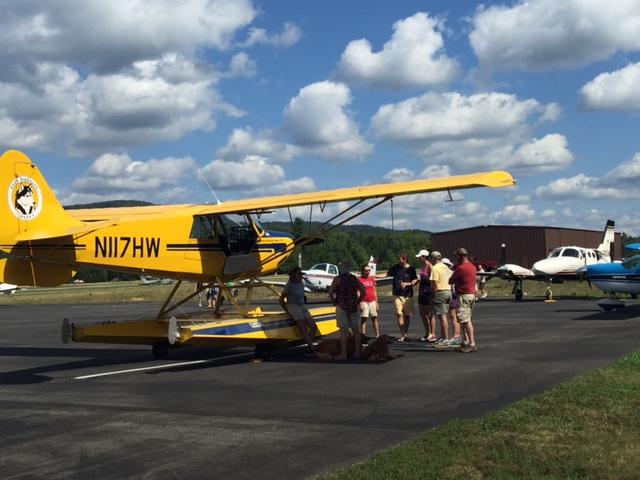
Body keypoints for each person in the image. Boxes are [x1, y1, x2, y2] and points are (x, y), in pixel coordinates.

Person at [329, 260, 366, 360]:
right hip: (353, 306)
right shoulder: (354, 278)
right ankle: (357, 353)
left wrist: (334, 301)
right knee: (356, 331)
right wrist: (357, 301)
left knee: (343, 331)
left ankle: (344, 354)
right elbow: (363, 291)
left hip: (342, 306)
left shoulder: (337, 279)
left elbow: (330, 292)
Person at [280, 266, 317, 355]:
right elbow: (281, 299)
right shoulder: (289, 285)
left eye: (301, 274)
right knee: (303, 327)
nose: (301, 276)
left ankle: (309, 344)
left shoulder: (302, 283)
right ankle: (312, 348)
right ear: (293, 275)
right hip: (293, 306)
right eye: (299, 274)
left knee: (313, 326)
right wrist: (287, 310)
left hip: (302, 306)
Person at [449, 248, 478, 353]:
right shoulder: (472, 267)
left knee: (466, 321)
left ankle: (472, 343)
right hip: (471, 295)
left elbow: (450, 280)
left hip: (463, 296)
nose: (456, 258)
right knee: (464, 318)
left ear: (461, 256)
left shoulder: (460, 268)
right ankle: (465, 341)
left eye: (457, 256)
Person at [386, 252, 418, 342]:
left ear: (405, 259)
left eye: (400, 259)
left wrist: (407, 284)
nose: (398, 261)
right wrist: (373, 276)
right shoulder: (396, 267)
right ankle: (403, 334)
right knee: (399, 314)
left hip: (407, 295)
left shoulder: (411, 269)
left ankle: (405, 334)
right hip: (397, 294)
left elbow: (415, 281)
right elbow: (386, 274)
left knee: (407, 315)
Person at [430, 251, 452, 345]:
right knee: (445, 315)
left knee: (442, 316)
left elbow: (434, 283)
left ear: (434, 258)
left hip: (440, 292)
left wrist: (433, 295)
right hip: (448, 291)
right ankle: (443, 337)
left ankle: (446, 338)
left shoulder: (435, 268)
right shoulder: (446, 267)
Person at [416, 249, 436, 342]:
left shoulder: (429, 266)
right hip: (422, 292)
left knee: (429, 313)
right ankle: (427, 332)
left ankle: (433, 333)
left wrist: (433, 293)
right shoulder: (423, 265)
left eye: (420, 256)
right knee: (421, 312)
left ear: (424, 257)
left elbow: (433, 279)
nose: (419, 258)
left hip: (428, 292)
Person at [358, 263, 380, 338]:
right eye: (366, 270)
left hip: (372, 300)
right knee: (364, 318)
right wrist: (360, 303)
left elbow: (374, 290)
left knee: (374, 317)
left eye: (369, 270)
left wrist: (376, 302)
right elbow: (358, 292)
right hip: (364, 301)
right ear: (362, 271)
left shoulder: (371, 279)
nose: (368, 272)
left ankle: (377, 335)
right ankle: (363, 335)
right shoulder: (359, 279)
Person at [444, 258, 462, 346]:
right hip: (455, 295)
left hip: (453, 295)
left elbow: (451, 285)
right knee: (455, 316)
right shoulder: (451, 272)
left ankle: (456, 335)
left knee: (453, 316)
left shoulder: (450, 273)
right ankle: (457, 335)